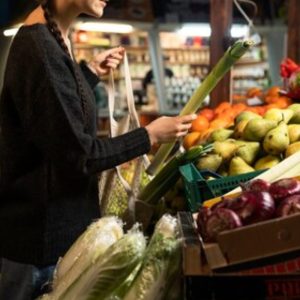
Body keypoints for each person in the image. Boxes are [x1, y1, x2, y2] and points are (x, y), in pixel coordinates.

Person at [0, 0, 196, 299]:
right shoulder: (39, 48)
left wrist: (88, 73)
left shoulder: (53, 39)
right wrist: (149, 135)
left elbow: (56, 115)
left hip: (52, 241)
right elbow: (81, 155)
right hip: (38, 250)